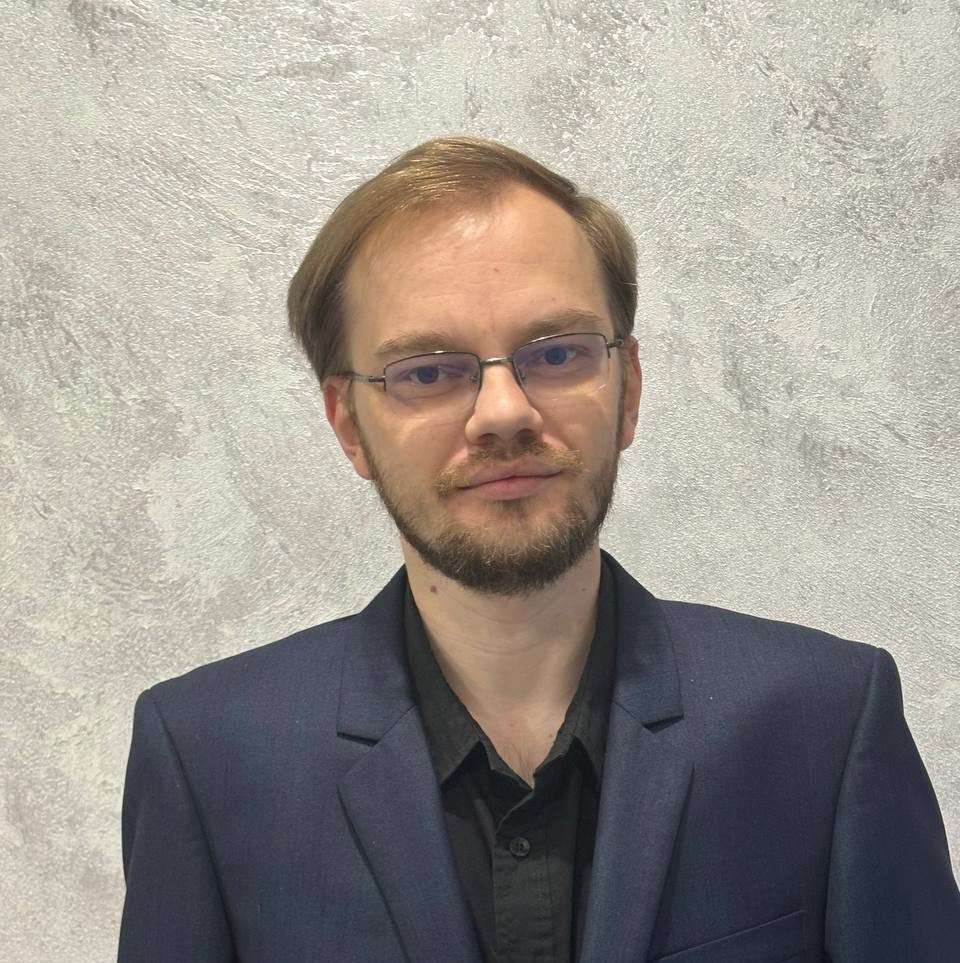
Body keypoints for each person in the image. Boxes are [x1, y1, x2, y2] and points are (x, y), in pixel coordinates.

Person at [118, 136, 960, 962]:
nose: (503, 412)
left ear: (628, 389)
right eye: (427, 371)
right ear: (350, 426)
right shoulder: (208, 755)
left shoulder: (825, 720)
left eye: (556, 353)